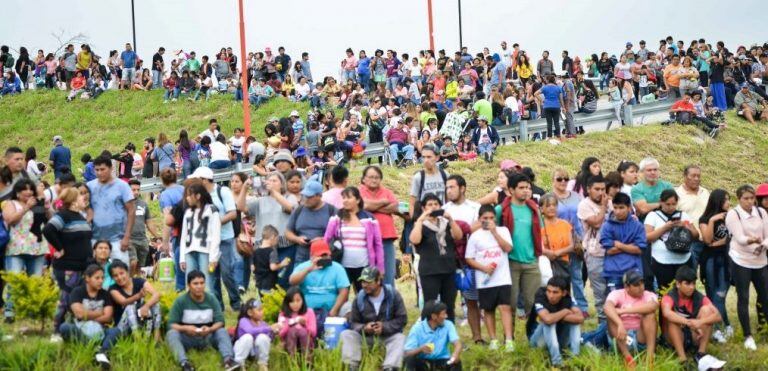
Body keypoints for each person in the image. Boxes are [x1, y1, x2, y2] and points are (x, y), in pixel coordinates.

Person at [188, 167, 240, 311]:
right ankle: (218, 306)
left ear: (204, 180)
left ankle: (236, 302)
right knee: (211, 276)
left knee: (227, 273)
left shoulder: (222, 192)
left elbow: (232, 213)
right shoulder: (199, 195)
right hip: (207, 242)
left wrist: (214, 223)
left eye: (197, 180)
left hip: (225, 240)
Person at [43, 187, 93, 333]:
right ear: (72, 200)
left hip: (82, 266)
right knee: (64, 300)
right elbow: (48, 230)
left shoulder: (79, 216)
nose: (83, 198)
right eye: (79, 196)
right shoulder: (63, 216)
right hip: (67, 267)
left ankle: (71, 330)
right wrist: (60, 248)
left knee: (76, 299)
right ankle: (57, 330)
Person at [725, 185, 768, 351]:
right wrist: (751, 240)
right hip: (741, 259)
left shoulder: (761, 212)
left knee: (765, 296)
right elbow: (740, 238)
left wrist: (763, 245)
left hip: (760, 259)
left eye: (752, 198)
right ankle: (747, 335)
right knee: (743, 296)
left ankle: (764, 328)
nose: (750, 202)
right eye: (746, 199)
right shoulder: (733, 214)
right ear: (739, 199)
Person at [465, 205, 514, 350]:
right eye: (485, 218)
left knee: (505, 307)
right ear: (479, 219)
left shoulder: (503, 231)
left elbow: (508, 248)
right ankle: (493, 339)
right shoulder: (475, 236)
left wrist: (495, 233)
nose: (488, 221)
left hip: (503, 277)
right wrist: (484, 268)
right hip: (485, 280)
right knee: (488, 309)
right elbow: (469, 258)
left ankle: (509, 340)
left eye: (491, 218)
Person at [166, 270, 236, 371]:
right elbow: (171, 324)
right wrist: (185, 328)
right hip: (188, 338)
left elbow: (220, 322)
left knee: (222, 331)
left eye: (202, 283)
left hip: (208, 337)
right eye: (195, 283)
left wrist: (210, 329)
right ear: (189, 285)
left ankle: (228, 360)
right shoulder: (181, 301)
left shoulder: (211, 299)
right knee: (171, 334)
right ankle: (184, 363)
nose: (199, 286)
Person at [340, 267, 408, 371]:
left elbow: (402, 319)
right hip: (366, 337)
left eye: (368, 282)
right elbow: (353, 322)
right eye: (363, 282)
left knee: (400, 338)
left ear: (378, 281)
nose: (364, 285)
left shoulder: (393, 295)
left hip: (387, 336)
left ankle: (390, 367)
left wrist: (384, 327)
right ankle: (351, 366)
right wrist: (364, 328)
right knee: (346, 334)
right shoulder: (359, 298)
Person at [496, 173, 542, 326]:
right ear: (511, 190)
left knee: (533, 302)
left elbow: (540, 233)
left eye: (528, 188)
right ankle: (509, 338)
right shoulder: (500, 210)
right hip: (510, 262)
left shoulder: (534, 209)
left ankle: (534, 335)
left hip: (531, 262)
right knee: (511, 303)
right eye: (521, 188)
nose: (526, 191)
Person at [2, 178, 50, 322]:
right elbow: (10, 220)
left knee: (35, 280)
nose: (29, 192)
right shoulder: (11, 204)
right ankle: (10, 311)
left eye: (31, 189)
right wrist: (26, 208)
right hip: (16, 248)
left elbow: (49, 220)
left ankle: (32, 309)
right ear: (17, 192)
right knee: (14, 279)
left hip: (37, 247)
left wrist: (45, 206)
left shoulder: (37, 203)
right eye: (25, 189)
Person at [410, 194, 463, 322]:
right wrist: (420, 220)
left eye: (436, 204)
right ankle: (427, 333)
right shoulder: (421, 225)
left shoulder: (446, 223)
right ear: (423, 208)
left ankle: (449, 333)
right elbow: (414, 240)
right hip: (429, 271)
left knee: (449, 304)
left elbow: (458, 236)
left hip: (448, 269)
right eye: (430, 204)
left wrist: (451, 219)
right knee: (430, 304)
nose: (433, 207)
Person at [660, 266, 725, 367]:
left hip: (693, 335)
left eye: (693, 283)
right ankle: (683, 359)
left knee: (707, 311)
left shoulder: (698, 296)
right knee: (672, 319)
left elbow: (718, 316)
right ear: (678, 284)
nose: (692, 287)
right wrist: (688, 323)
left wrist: (700, 322)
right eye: (687, 283)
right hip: (673, 337)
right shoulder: (669, 296)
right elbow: (666, 313)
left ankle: (700, 354)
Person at [59, 264, 121, 369]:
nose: (101, 281)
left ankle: (103, 352)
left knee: (115, 331)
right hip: (81, 332)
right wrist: (100, 312)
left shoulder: (105, 294)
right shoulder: (77, 291)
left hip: (100, 332)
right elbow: (79, 314)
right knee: (65, 327)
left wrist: (86, 315)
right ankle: (96, 351)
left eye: (102, 278)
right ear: (87, 278)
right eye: (97, 278)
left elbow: (108, 318)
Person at [324, 187, 384, 290]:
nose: (345, 200)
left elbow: (378, 244)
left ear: (358, 200)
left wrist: (380, 268)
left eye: (349, 197)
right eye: (343, 198)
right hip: (341, 266)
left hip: (364, 266)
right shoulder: (337, 217)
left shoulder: (369, 219)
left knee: (365, 296)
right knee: (341, 296)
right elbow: (326, 239)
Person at [289, 239, 350, 336]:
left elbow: (344, 290)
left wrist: (334, 310)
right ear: (312, 256)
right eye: (321, 256)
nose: (325, 258)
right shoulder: (304, 267)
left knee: (348, 307)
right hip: (308, 310)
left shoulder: (337, 268)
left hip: (331, 309)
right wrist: (308, 270)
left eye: (327, 255)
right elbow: (292, 281)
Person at [644, 189, 699, 291]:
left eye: (673, 204)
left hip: (684, 260)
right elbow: (647, 238)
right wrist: (665, 228)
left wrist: (685, 225)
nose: (671, 207)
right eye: (667, 204)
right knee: (664, 292)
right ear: (661, 202)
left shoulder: (683, 215)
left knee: (684, 291)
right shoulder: (653, 216)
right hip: (662, 261)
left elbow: (696, 235)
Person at [698, 189, 734, 343]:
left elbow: (732, 238)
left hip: (727, 260)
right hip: (710, 260)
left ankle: (719, 328)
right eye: (726, 200)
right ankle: (724, 325)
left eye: (729, 199)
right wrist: (713, 220)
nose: (729, 203)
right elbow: (707, 240)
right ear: (718, 201)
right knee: (713, 295)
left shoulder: (732, 217)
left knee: (720, 294)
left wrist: (719, 242)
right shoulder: (705, 218)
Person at [604, 270, 658, 368]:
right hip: (621, 338)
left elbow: (653, 306)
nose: (641, 287)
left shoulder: (648, 294)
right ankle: (628, 358)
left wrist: (623, 311)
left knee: (650, 315)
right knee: (610, 316)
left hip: (640, 337)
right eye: (636, 284)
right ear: (626, 287)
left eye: (642, 283)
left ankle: (650, 358)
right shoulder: (617, 293)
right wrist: (620, 323)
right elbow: (607, 307)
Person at [87, 155, 135, 265]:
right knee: (96, 274)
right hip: (95, 239)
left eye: (102, 169)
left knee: (120, 274)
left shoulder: (122, 186)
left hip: (117, 240)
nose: (99, 173)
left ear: (111, 168)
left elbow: (131, 211)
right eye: (97, 170)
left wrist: (127, 237)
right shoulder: (89, 186)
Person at [526, 276, 583, 367]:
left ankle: (575, 357)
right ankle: (557, 362)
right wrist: (565, 311)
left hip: (559, 339)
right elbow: (548, 319)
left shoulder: (568, 298)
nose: (551, 295)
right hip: (538, 342)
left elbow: (580, 318)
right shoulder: (540, 295)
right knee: (549, 322)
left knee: (574, 322)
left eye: (555, 292)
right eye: (548, 291)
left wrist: (555, 316)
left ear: (564, 293)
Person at [358, 166, 400, 286]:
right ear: (364, 179)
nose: (374, 180)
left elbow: (396, 207)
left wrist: (373, 206)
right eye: (371, 177)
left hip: (386, 239)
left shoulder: (386, 192)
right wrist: (383, 202)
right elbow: (363, 206)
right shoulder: (359, 192)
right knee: (368, 276)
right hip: (365, 241)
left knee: (388, 275)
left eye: (377, 177)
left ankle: (389, 302)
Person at [179, 182, 221, 295]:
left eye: (189, 195)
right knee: (190, 285)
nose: (187, 198)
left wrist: (213, 257)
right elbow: (184, 235)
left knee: (207, 285)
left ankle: (210, 310)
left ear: (198, 196)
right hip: (189, 251)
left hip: (205, 251)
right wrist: (182, 257)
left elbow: (216, 235)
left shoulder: (211, 210)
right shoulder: (188, 212)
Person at [600, 192, 647, 292]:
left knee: (634, 303)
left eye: (621, 208)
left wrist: (618, 244)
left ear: (629, 207)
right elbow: (609, 251)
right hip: (613, 272)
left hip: (634, 271)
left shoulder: (637, 225)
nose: (617, 211)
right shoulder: (607, 226)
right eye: (615, 207)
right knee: (614, 304)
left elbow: (639, 249)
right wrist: (630, 246)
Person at [578, 176, 609, 320]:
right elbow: (596, 223)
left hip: (613, 253)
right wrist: (604, 207)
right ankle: (603, 326)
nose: (601, 192)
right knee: (600, 292)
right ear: (588, 189)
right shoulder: (584, 205)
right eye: (597, 189)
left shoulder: (610, 203)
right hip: (595, 254)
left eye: (603, 189)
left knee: (613, 290)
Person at [108, 260, 162, 340]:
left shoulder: (139, 281)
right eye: (115, 276)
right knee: (130, 307)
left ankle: (157, 337)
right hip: (123, 327)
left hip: (141, 320)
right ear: (112, 278)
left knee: (155, 304)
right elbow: (124, 302)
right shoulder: (113, 289)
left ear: (127, 272)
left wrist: (147, 306)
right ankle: (138, 340)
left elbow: (157, 294)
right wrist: (138, 295)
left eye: (121, 273)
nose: (119, 277)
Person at [403, 300, 463, 371]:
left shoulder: (448, 324)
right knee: (410, 359)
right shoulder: (417, 328)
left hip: (442, 360)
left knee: (456, 362)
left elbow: (457, 344)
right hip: (423, 362)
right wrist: (420, 349)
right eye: (443, 314)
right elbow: (407, 353)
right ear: (434, 316)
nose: (446, 316)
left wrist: (456, 354)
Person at [675, 165, 710, 270]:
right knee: (690, 273)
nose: (696, 179)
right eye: (693, 176)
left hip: (707, 239)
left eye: (698, 176)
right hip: (688, 240)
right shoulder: (677, 194)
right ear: (685, 176)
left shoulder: (705, 192)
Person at [233, 298, 277, 370]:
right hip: (242, 350)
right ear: (250, 312)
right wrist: (269, 328)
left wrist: (273, 333)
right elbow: (250, 331)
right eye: (259, 310)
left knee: (263, 337)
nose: (262, 312)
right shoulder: (244, 320)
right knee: (248, 337)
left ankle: (263, 364)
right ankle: (239, 364)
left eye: (262, 309)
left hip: (255, 352)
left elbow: (268, 340)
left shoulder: (263, 324)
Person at [127, 180, 159, 274]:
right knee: (132, 262)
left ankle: (137, 283)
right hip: (129, 239)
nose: (136, 192)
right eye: (133, 190)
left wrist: (157, 237)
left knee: (139, 266)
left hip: (142, 239)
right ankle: (130, 283)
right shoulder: (122, 204)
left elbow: (149, 222)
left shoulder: (143, 204)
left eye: (138, 190)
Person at [277, 286, 317, 357]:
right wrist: (290, 323)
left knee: (302, 331)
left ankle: (307, 360)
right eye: (292, 301)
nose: (295, 304)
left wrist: (305, 324)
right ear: (287, 302)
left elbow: (313, 333)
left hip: (306, 343)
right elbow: (281, 334)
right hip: (289, 343)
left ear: (303, 300)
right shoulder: (283, 314)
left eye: (298, 300)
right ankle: (292, 360)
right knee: (293, 330)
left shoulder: (309, 312)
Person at [536, 75, 564, 139]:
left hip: (547, 106)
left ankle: (549, 137)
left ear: (548, 80)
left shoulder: (544, 87)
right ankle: (558, 135)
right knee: (556, 122)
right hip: (556, 106)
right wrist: (563, 107)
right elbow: (561, 99)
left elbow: (535, 93)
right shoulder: (558, 88)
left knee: (549, 122)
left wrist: (542, 100)